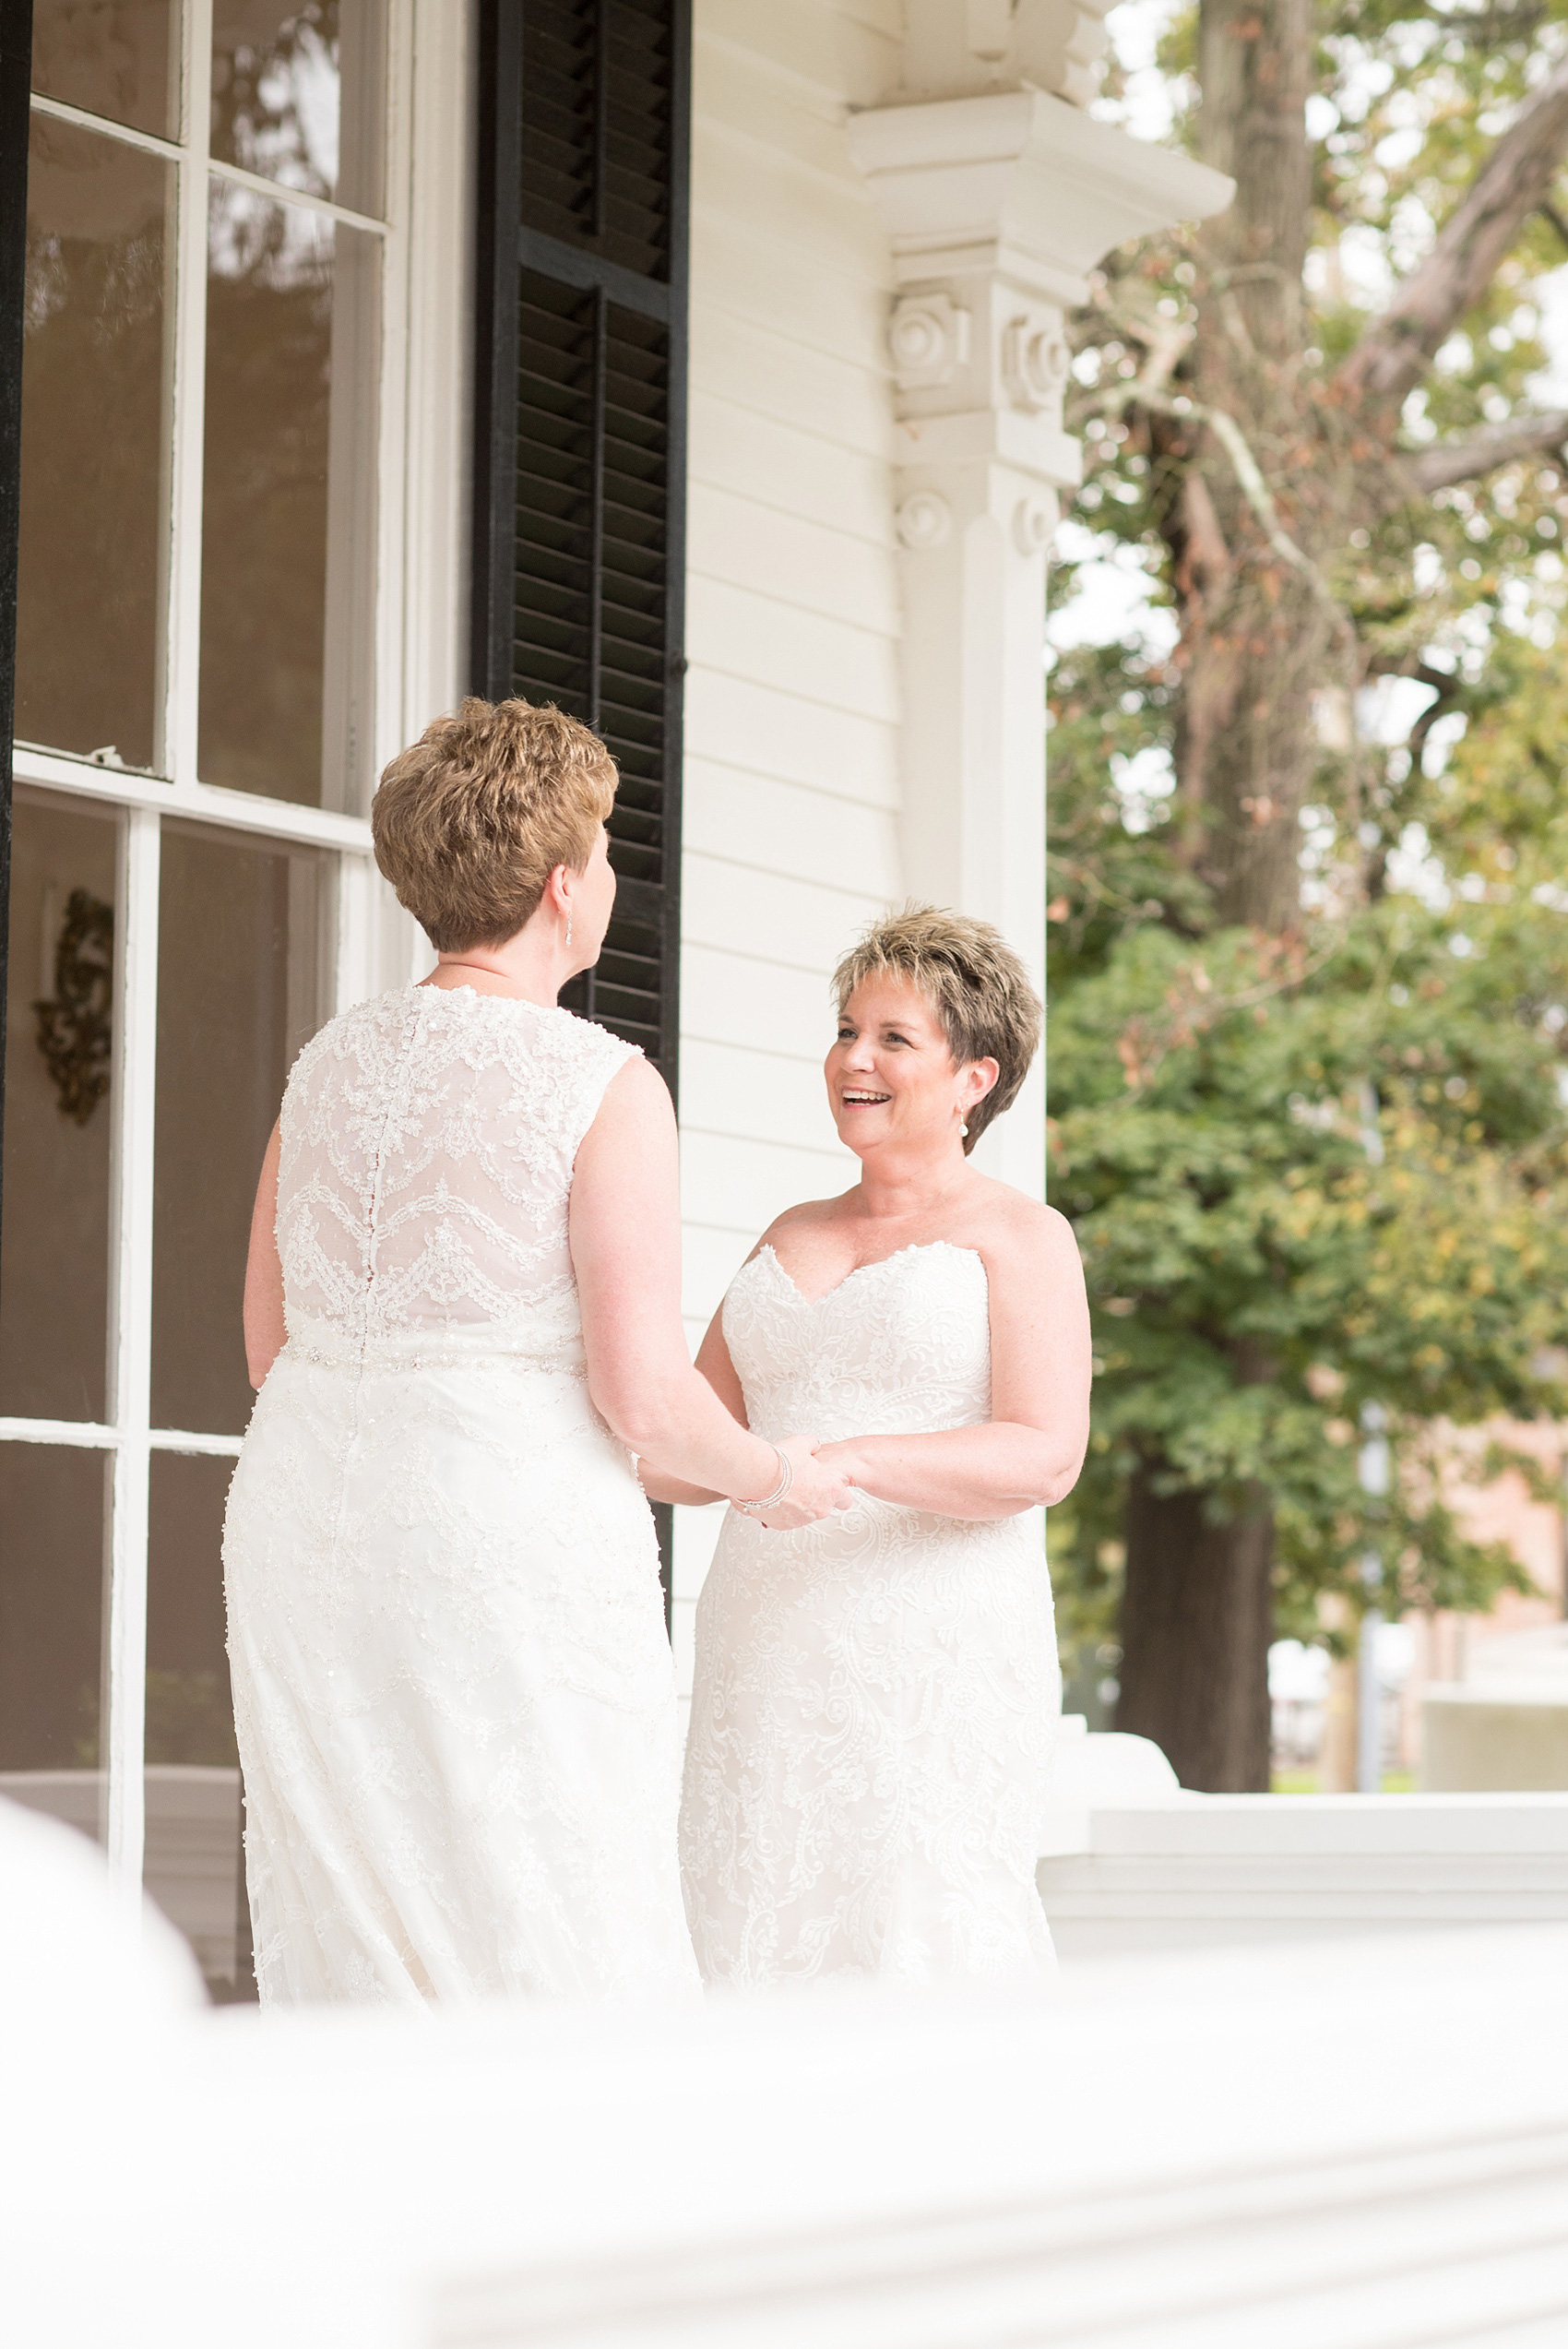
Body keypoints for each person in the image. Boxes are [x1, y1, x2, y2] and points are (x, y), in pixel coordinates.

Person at [223, 698, 848, 2005]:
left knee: (352, 1893)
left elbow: (269, 1343)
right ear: (565, 886)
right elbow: (642, 1395)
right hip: (498, 1528)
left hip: (303, 1514)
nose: (612, 877)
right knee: (544, 1884)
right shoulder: (600, 1079)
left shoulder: (324, 1065)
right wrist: (769, 1470)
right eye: (609, 851)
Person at [659, 905, 1091, 1987]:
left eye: (893, 1038)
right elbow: (680, 1445)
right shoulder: (787, 1231)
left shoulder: (1022, 1236)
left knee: (913, 1928)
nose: (852, 1058)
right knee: (749, 1911)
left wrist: (842, 1462)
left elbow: (1041, 1455)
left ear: (972, 1078)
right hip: (760, 1642)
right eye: (846, 1029)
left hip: (926, 1654)